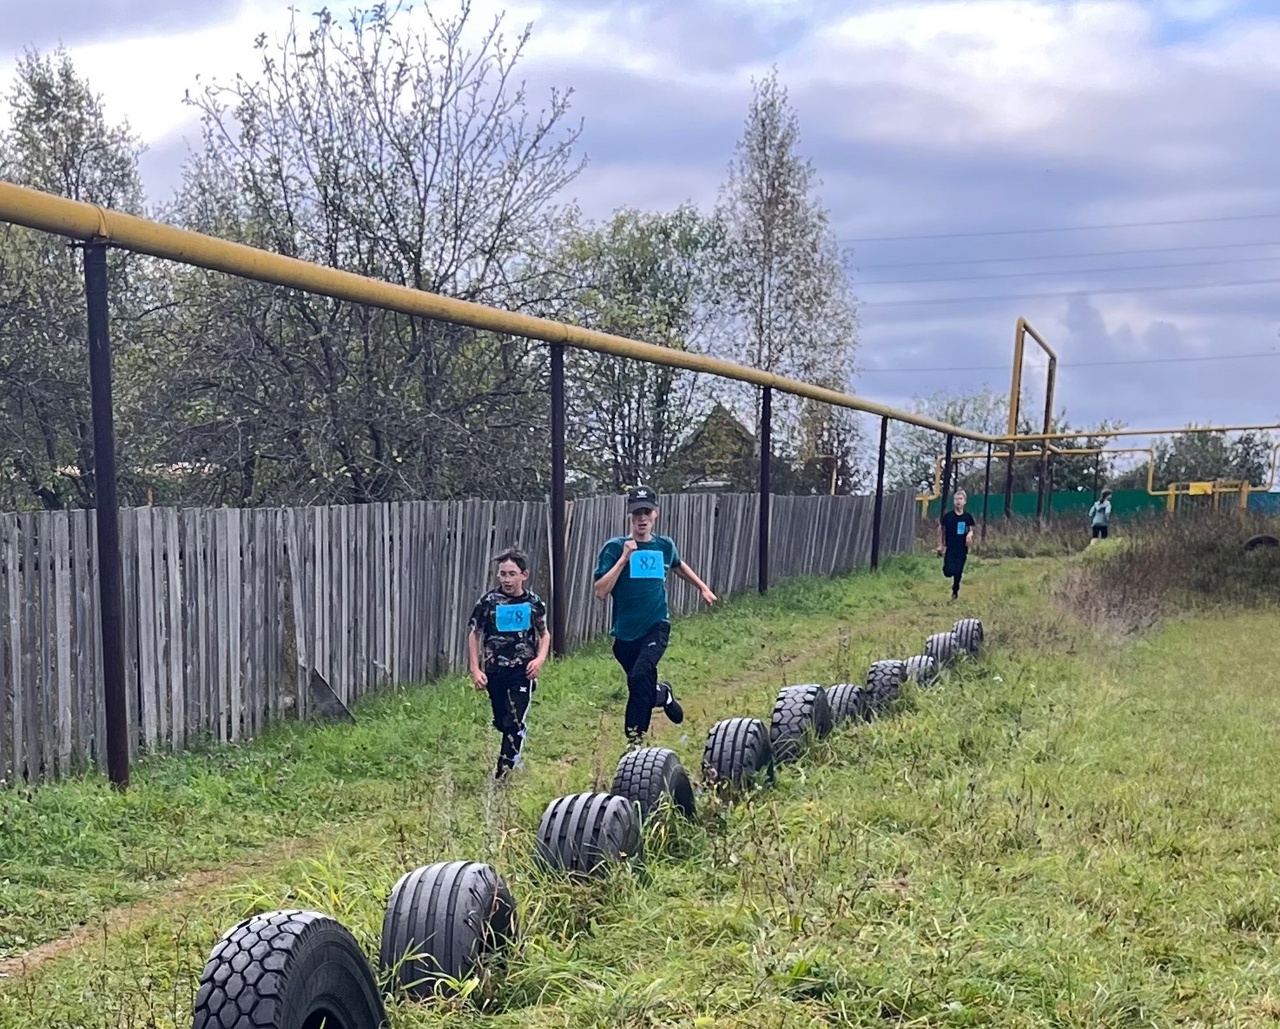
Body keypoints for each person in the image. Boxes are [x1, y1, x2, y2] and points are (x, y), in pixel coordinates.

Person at [593, 485, 717, 748]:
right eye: (637, 513)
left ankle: (634, 744)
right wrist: (625, 558)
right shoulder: (614, 548)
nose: (642, 518)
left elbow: (678, 565)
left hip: (656, 626)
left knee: (638, 678)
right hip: (625, 634)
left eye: (646, 512)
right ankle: (663, 695)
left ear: (655, 514)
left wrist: (702, 587)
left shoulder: (664, 545)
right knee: (642, 688)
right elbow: (600, 591)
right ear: (630, 516)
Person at [467, 548, 550, 780]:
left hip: (522, 670)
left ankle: (502, 774)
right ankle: (516, 742)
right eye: (502, 574)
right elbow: (474, 633)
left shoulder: (534, 603)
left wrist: (539, 659)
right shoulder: (488, 602)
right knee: (502, 721)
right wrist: (475, 669)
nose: (506, 579)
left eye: (511, 574)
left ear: (524, 575)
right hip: (495, 669)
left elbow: (544, 635)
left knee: (513, 719)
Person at [936, 489, 975, 601]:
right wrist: (940, 545)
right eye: (956, 499)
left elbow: (971, 529)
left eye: (961, 499)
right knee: (948, 571)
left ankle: (955, 590)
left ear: (965, 502)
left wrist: (969, 535)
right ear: (954, 502)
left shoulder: (967, 517)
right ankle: (949, 571)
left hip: (962, 548)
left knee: (958, 571)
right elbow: (940, 530)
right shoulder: (948, 517)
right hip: (950, 547)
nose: (958, 501)